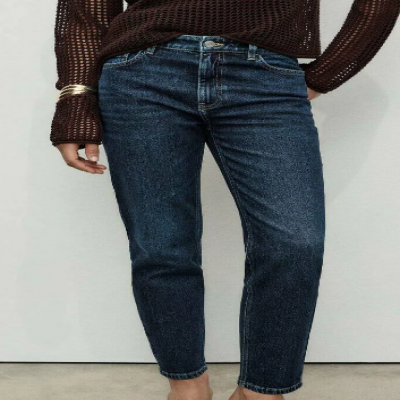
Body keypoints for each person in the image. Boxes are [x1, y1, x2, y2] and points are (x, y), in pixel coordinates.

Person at [50, 1, 400, 399]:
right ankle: (188, 388)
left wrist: (326, 74)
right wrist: (75, 100)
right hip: (141, 75)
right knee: (161, 248)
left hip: (264, 73)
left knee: (294, 243)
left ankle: (261, 393)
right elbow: (87, 9)